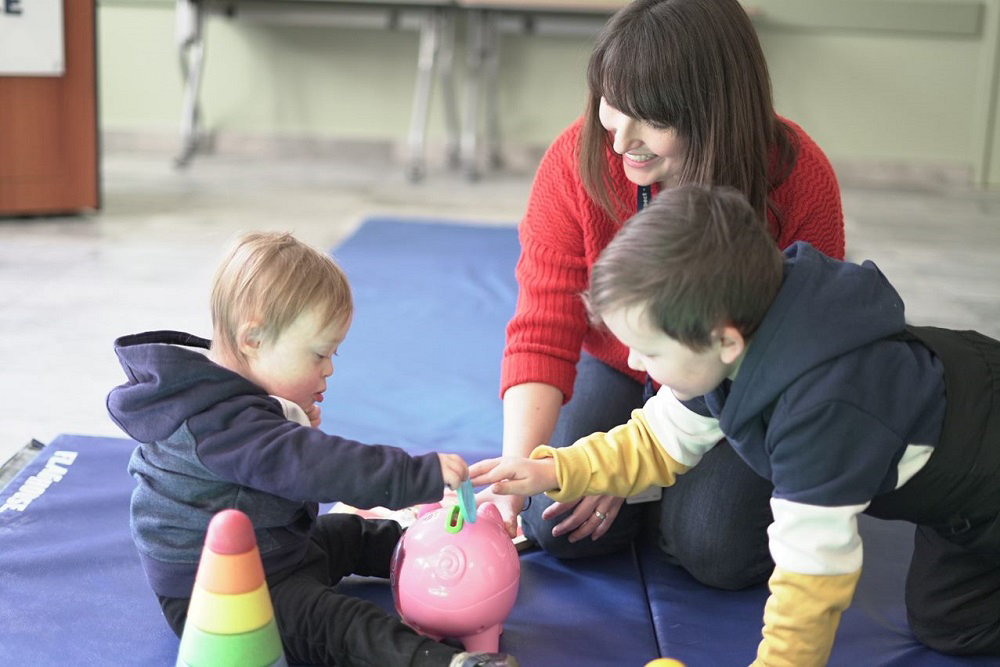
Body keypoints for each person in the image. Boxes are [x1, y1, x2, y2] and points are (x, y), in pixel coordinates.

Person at [471, 184, 1000, 665]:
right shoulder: (739, 328)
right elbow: (655, 441)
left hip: (984, 473)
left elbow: (811, 579)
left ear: (725, 341)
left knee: (958, 628)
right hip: (953, 452)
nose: (633, 362)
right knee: (946, 619)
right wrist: (551, 470)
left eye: (649, 348)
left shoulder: (820, 413)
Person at [485, 0, 845, 591]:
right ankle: (655, 498)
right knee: (553, 522)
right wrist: (514, 482)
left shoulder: (798, 179)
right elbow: (542, 327)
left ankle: (667, 503)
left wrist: (632, 461)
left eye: (650, 119)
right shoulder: (576, 162)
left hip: (739, 391)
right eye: (610, 104)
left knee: (716, 549)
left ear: (714, 112)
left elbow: (804, 359)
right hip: (621, 370)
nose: (621, 138)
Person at [107, 231, 518, 667]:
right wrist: (417, 476)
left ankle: (440, 554)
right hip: (222, 593)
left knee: (349, 535)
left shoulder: (225, 392)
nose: (330, 368)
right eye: (319, 354)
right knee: (335, 622)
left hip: (277, 546)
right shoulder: (219, 422)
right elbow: (322, 466)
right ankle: (442, 663)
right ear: (254, 339)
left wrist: (286, 416)